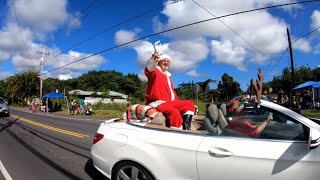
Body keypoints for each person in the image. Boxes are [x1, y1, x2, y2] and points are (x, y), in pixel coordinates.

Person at [145, 52, 195, 129]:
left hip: (169, 102)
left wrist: (178, 102)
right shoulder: (155, 71)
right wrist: (153, 60)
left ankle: (186, 128)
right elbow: (149, 68)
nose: (166, 62)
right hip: (158, 103)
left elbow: (172, 93)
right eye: (164, 60)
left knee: (189, 104)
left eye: (168, 61)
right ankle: (175, 132)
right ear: (159, 62)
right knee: (174, 112)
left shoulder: (168, 77)